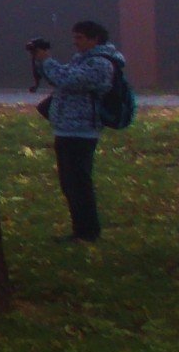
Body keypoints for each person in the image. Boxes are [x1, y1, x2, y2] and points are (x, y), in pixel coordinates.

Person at [28, 20, 126, 243]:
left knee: (79, 184)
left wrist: (47, 60)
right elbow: (59, 78)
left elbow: (68, 80)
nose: (75, 42)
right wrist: (41, 60)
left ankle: (88, 232)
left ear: (95, 39)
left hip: (83, 131)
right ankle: (80, 230)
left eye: (80, 37)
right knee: (69, 183)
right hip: (67, 128)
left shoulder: (101, 63)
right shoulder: (82, 60)